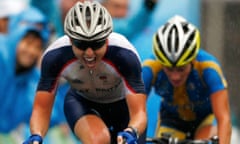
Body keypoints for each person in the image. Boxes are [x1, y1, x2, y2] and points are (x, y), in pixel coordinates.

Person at [23, 1, 147, 144]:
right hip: (82, 103)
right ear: (69, 39)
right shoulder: (55, 56)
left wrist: (132, 130)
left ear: (107, 38)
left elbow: (139, 113)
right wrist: (36, 136)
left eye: (96, 44)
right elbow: (41, 108)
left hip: (122, 107)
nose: (89, 53)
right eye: (81, 44)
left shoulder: (124, 54)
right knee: (98, 139)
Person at [142, 15, 232, 144]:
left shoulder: (209, 68)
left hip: (204, 121)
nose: (175, 76)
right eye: (168, 69)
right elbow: (135, 113)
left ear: (192, 60)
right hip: (171, 121)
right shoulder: (149, 68)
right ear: (161, 63)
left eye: (181, 69)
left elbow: (224, 118)